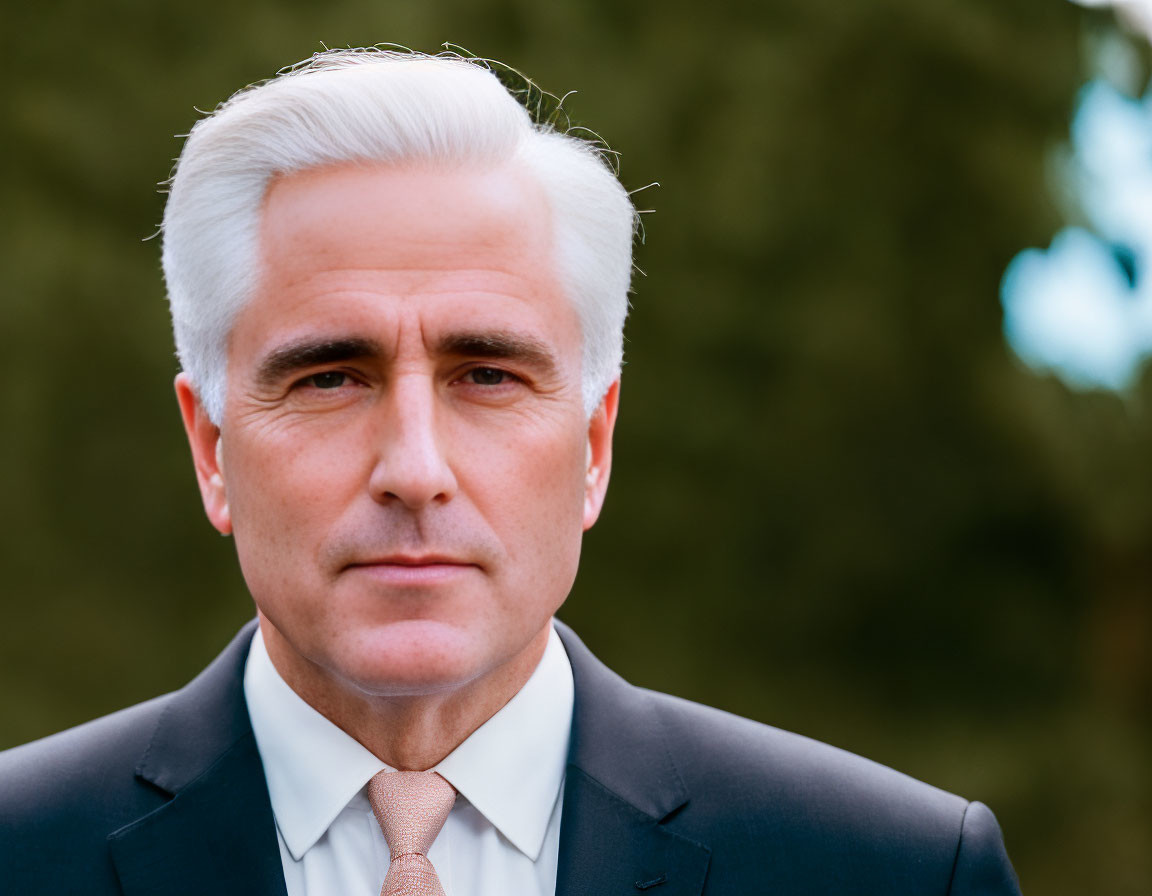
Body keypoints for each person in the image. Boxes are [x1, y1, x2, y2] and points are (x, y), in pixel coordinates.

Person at [0, 49, 1022, 895]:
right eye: (330, 376)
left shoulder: (898, 871)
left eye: (486, 371)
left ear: (593, 444)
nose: (413, 467)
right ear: (212, 448)